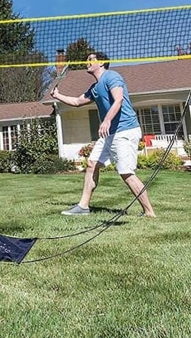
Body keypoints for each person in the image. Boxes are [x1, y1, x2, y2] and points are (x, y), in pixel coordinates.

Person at [51, 52, 155, 217]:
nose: (87, 62)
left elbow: (118, 99)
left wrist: (106, 121)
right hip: (109, 134)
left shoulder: (112, 76)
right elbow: (78, 102)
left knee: (126, 172)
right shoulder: (95, 88)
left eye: (91, 59)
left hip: (125, 130)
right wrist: (58, 96)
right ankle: (83, 206)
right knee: (92, 164)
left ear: (101, 63)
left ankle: (149, 212)